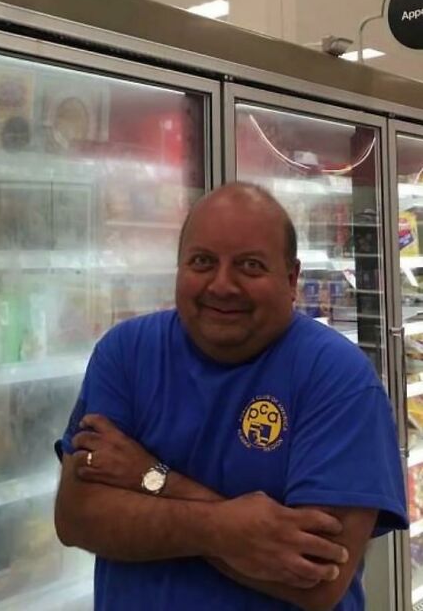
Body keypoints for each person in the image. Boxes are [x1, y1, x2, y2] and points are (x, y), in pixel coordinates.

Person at [54, 182, 407, 611]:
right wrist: (225, 526)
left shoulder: (338, 378)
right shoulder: (125, 353)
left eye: (250, 266)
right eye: (203, 262)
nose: (222, 285)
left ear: (291, 279)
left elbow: (316, 578)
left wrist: (154, 478)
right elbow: (77, 519)